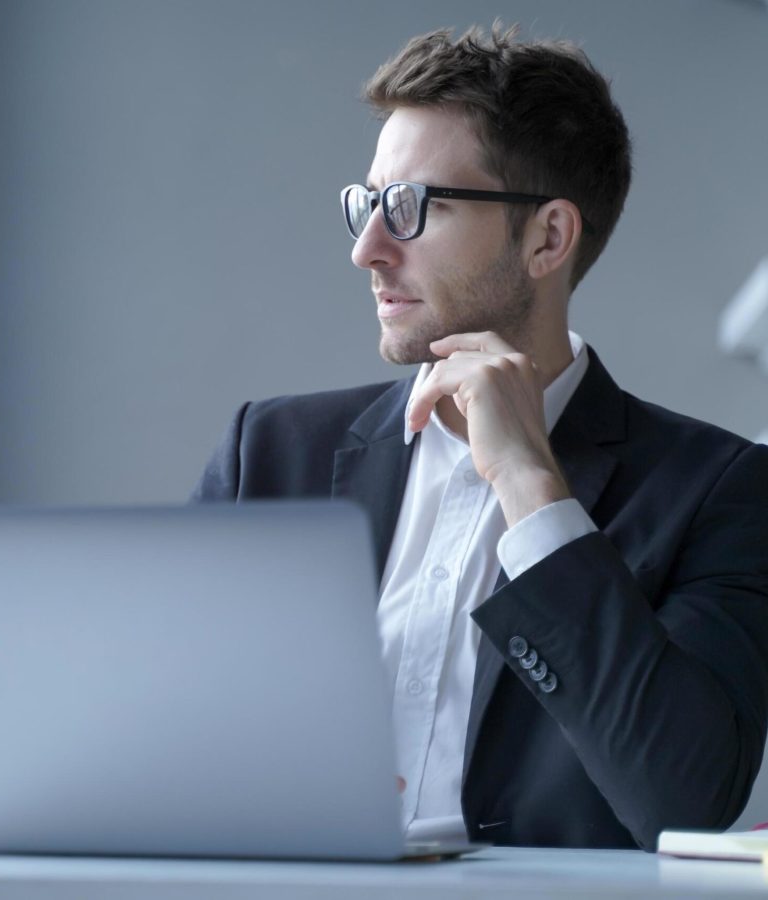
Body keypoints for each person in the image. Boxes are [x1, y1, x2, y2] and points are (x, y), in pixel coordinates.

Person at [191, 23, 768, 851]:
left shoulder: (721, 491)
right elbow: (160, 733)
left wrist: (533, 488)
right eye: (366, 204)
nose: (367, 249)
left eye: (410, 208)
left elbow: (684, 797)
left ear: (547, 238)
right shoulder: (269, 453)